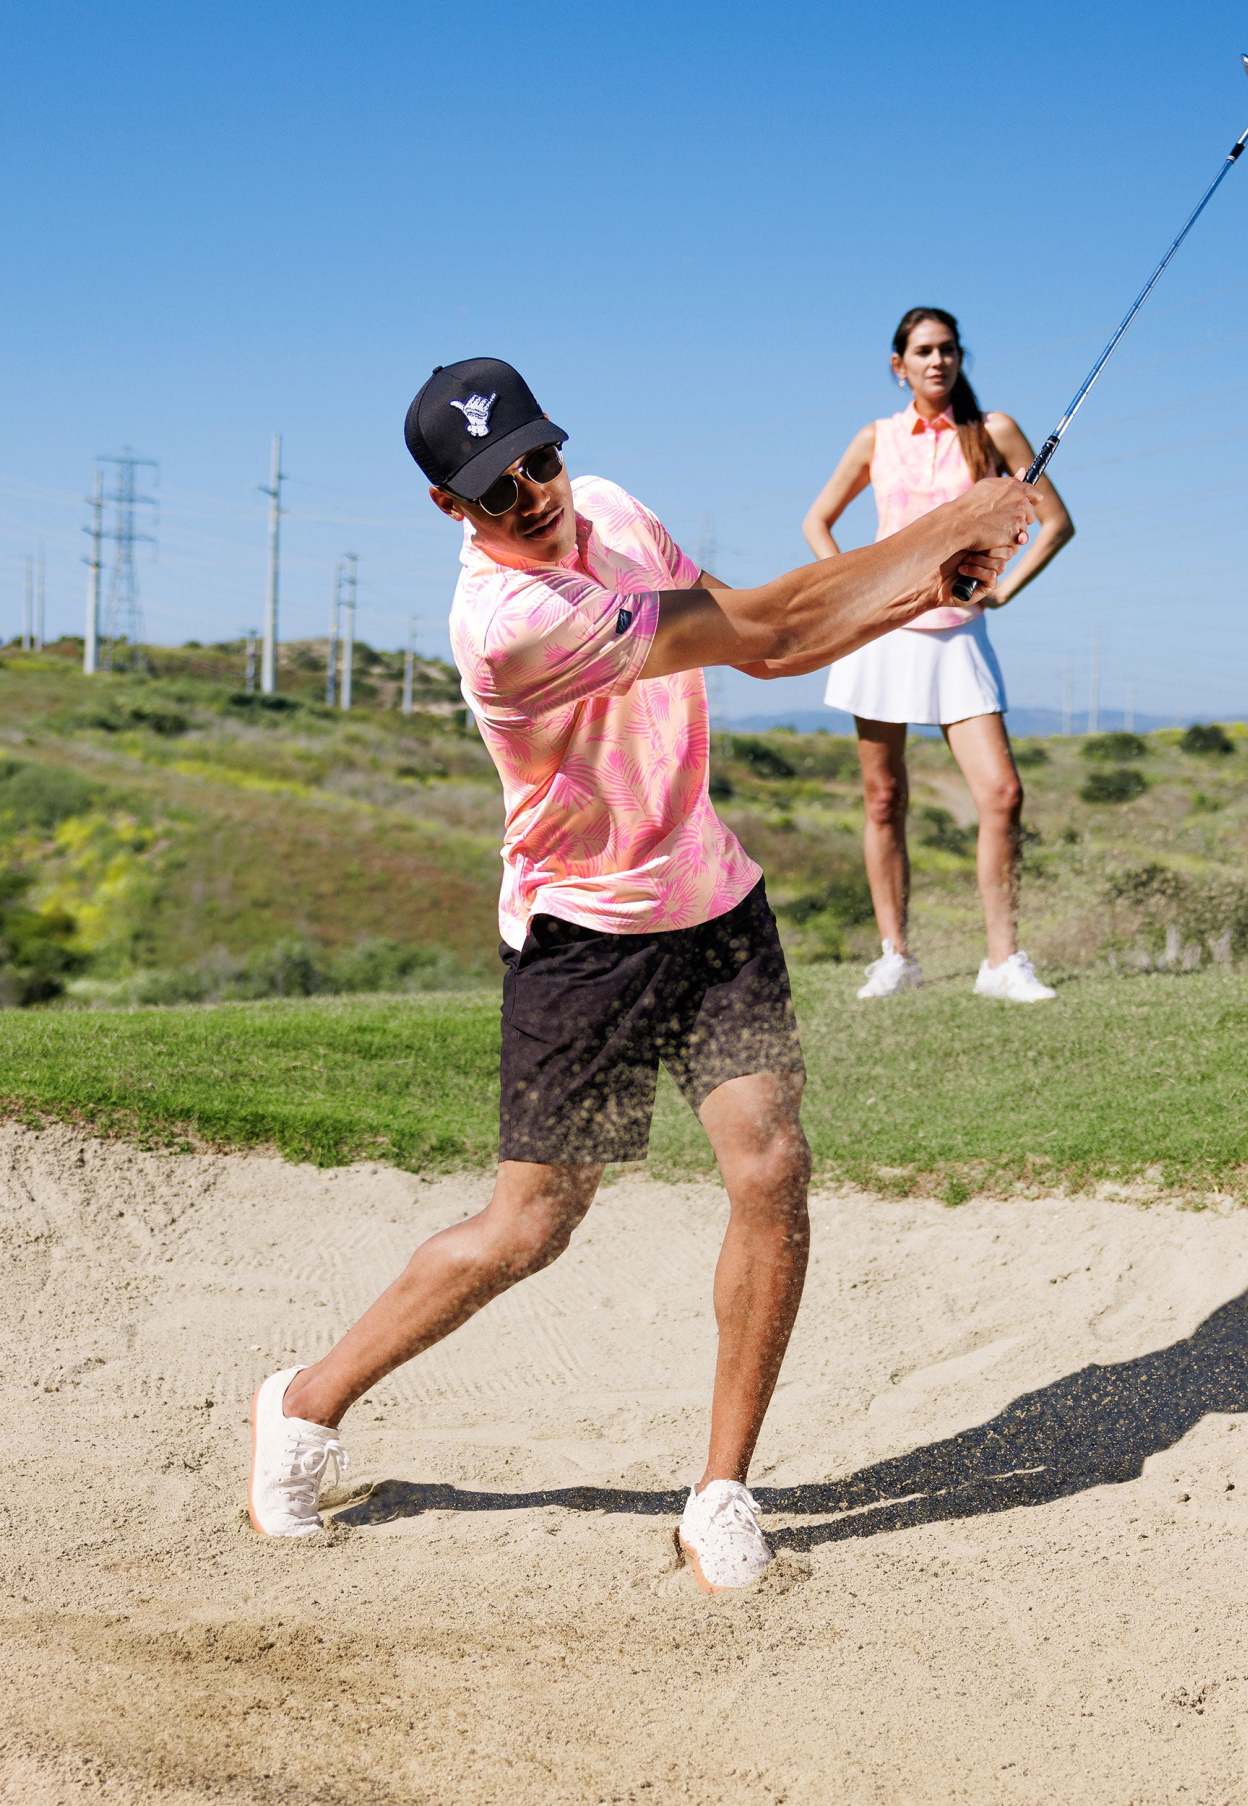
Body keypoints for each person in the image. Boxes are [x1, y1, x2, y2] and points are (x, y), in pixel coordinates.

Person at [246, 356, 1035, 1591]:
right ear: (450, 508)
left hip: (712, 901)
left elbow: (761, 648)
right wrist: (945, 526)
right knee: (529, 1227)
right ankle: (304, 1402)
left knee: (770, 1167)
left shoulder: (611, 508)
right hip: (585, 939)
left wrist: (921, 589)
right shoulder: (510, 623)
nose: (534, 494)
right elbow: (767, 626)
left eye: (539, 461)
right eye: (497, 489)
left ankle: (720, 1490)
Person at [803, 307, 1076, 1001]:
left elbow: (1054, 522)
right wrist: (853, 588)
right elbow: (817, 521)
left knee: (1002, 793)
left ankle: (1001, 963)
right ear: (899, 366)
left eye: (948, 349)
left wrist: (1004, 590)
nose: (937, 361)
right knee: (883, 797)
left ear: (959, 358)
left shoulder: (993, 431)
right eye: (923, 351)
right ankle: (895, 956)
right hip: (882, 632)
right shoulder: (877, 437)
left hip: (957, 633)